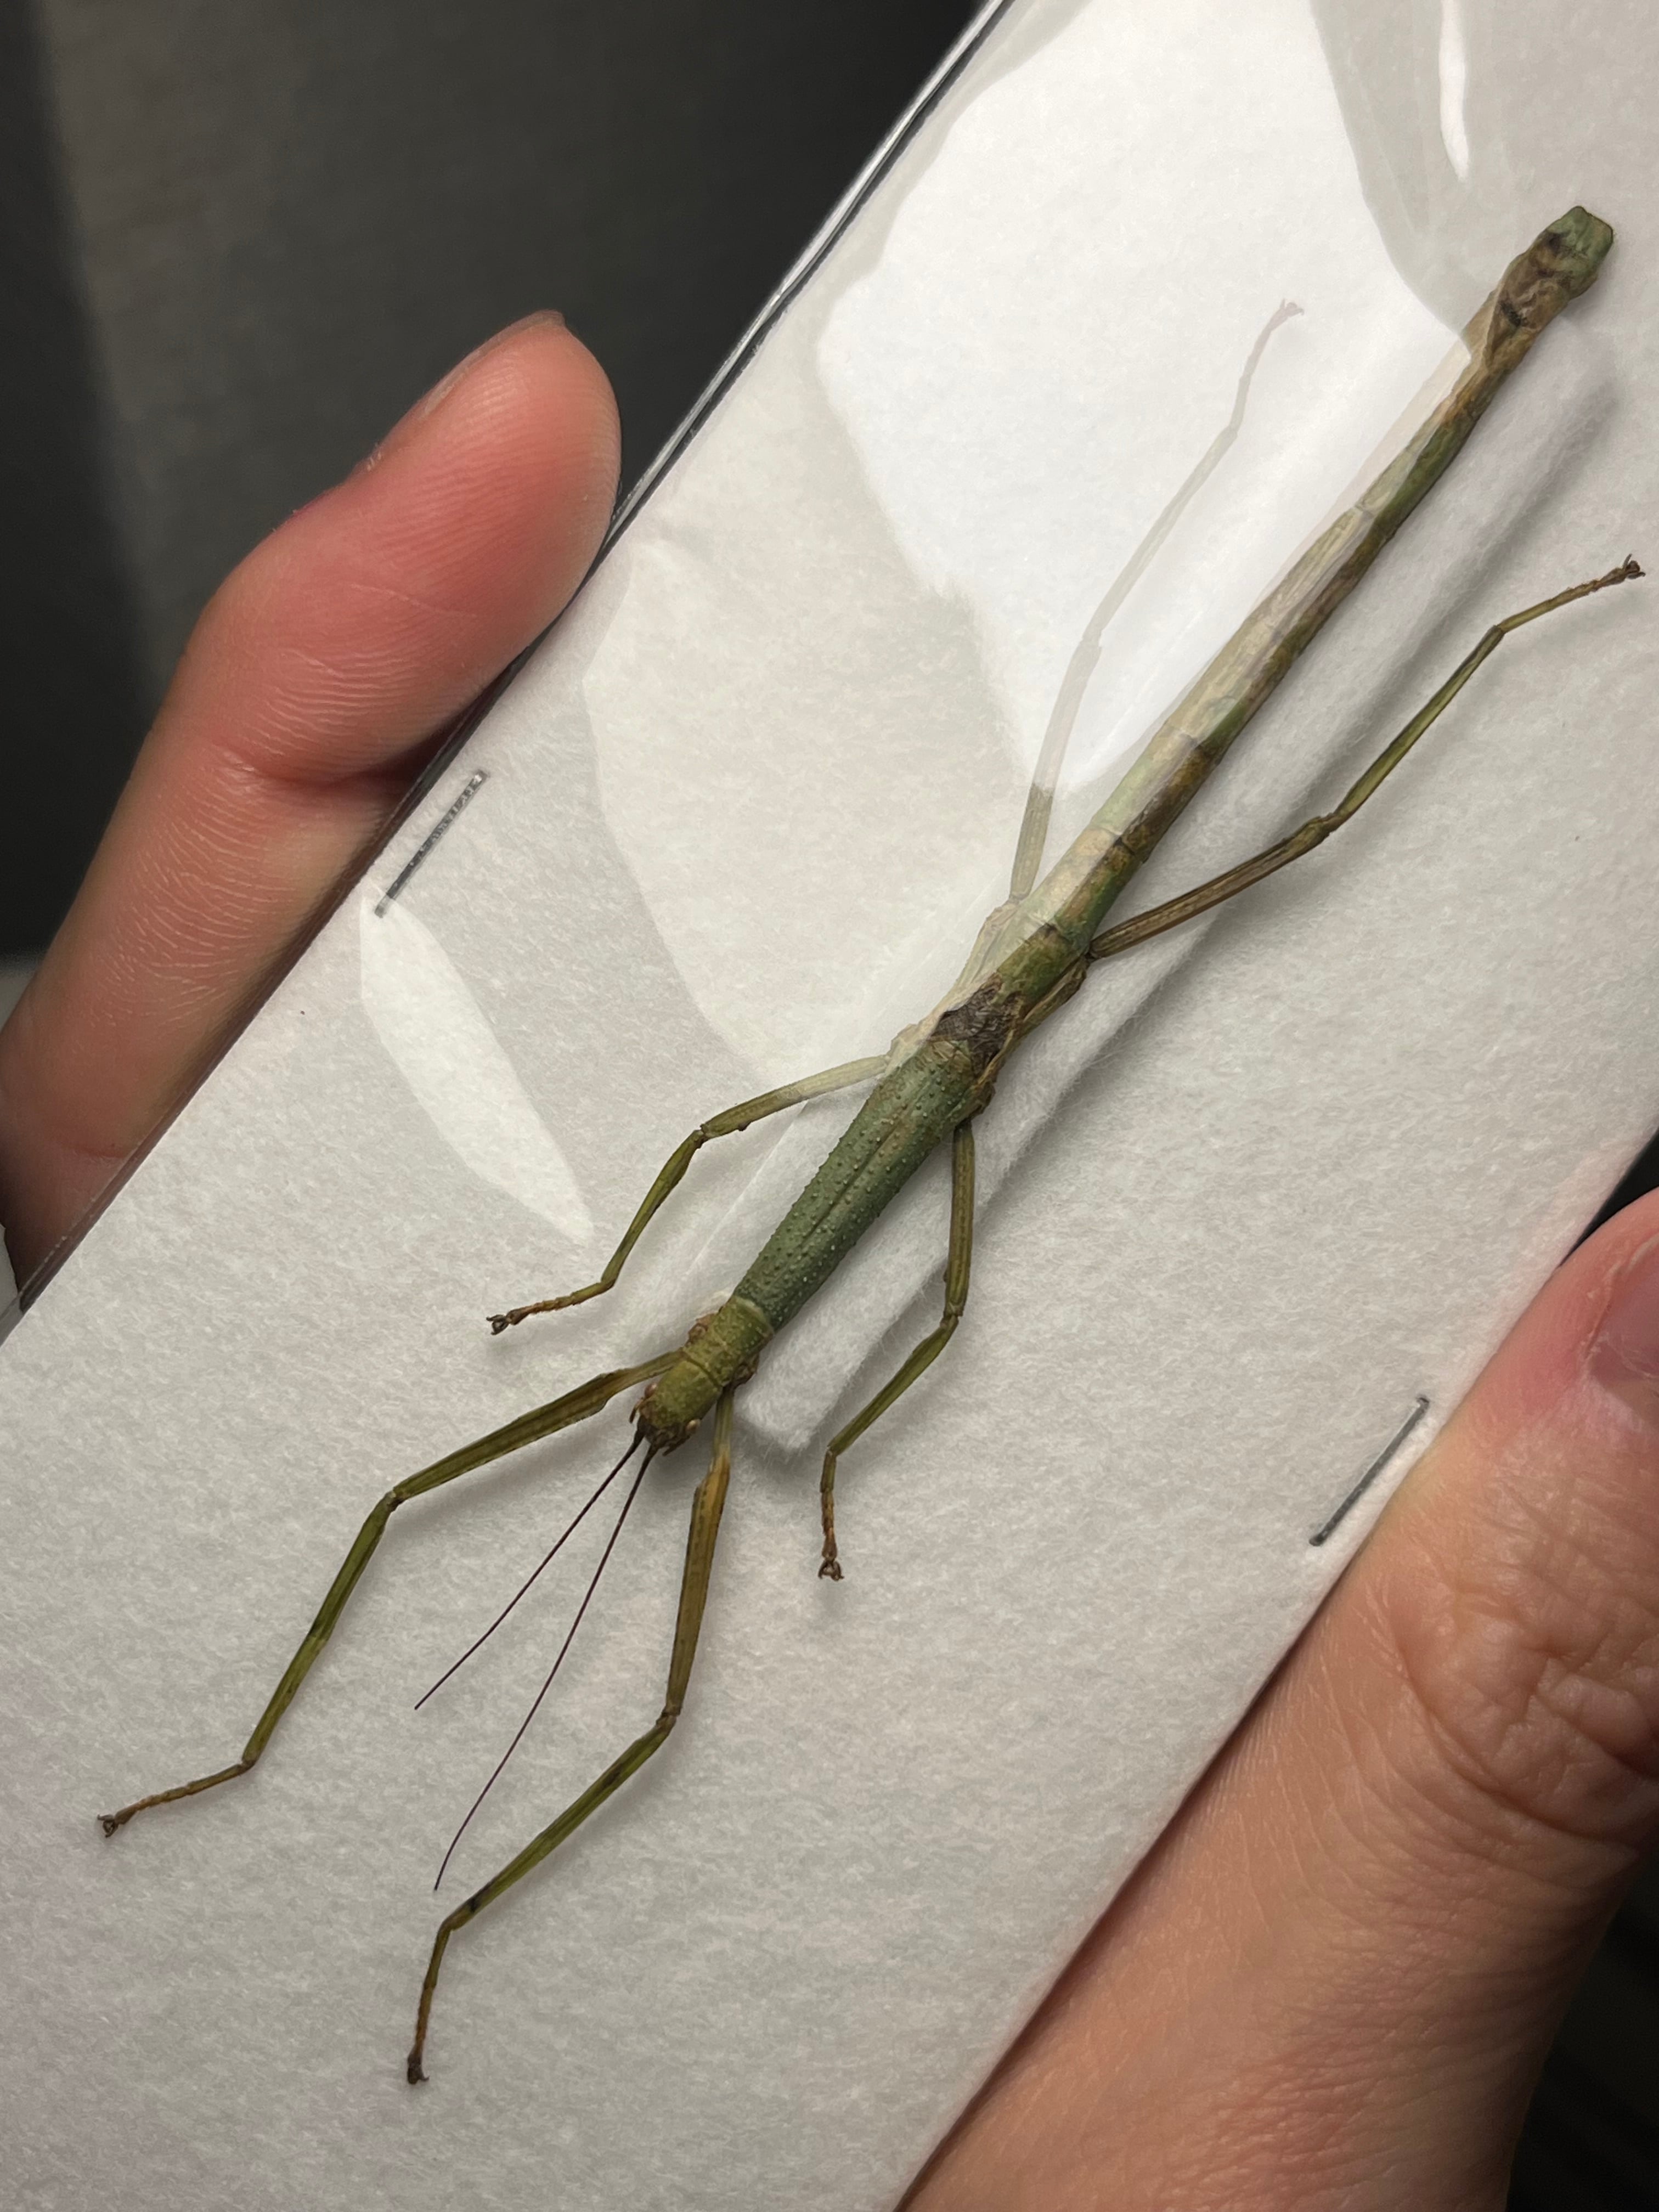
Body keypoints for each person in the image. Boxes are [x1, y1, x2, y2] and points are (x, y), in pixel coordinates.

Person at [2, 315, 1654, 2208]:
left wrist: (743, 1399)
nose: (659, 1428)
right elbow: (865, 1280)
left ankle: (1486, 484)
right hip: (991, 1024)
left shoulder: (698, 1367)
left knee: (1295, 806)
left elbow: (821, 1232)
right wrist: (723, 1393)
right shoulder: (695, 1384)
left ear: (661, 1381)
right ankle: (305, 1810)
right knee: (548, 1596)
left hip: (1032, 968)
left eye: (655, 1401)